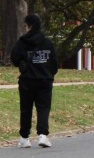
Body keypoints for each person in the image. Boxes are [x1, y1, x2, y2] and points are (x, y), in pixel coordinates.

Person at [10, 13, 58, 148]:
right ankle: (43, 135)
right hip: (44, 80)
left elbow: (14, 58)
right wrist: (49, 74)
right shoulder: (48, 43)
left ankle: (24, 138)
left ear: (29, 26)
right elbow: (54, 63)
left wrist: (23, 64)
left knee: (26, 109)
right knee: (43, 108)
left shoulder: (22, 42)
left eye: (26, 25)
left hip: (27, 80)